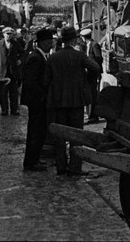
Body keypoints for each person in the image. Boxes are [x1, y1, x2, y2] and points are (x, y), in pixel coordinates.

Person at [44, 27, 100, 176]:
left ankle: (61, 167)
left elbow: (45, 81)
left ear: (62, 41)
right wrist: (86, 82)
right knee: (76, 135)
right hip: (76, 101)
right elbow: (95, 68)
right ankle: (75, 167)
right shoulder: (79, 56)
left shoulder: (52, 58)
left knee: (60, 135)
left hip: (58, 101)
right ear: (75, 39)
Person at [21, 28, 54, 172]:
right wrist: (42, 96)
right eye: (49, 41)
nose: (51, 44)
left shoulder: (41, 56)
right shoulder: (35, 58)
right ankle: (30, 162)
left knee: (39, 131)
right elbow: (30, 82)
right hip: (36, 101)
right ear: (42, 43)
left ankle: (34, 158)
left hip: (38, 100)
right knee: (36, 131)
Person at [0, 26, 23, 116]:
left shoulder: (15, 44)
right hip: (3, 71)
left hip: (13, 72)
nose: (9, 36)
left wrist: (20, 60)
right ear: (3, 34)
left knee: (14, 92)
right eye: (7, 34)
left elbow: (23, 53)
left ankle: (14, 110)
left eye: (10, 34)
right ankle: (4, 110)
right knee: (3, 92)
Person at [80, 28, 103, 124]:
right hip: (90, 74)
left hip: (94, 74)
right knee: (90, 94)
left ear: (84, 38)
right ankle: (90, 114)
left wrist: (92, 66)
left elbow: (98, 58)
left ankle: (94, 115)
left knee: (93, 94)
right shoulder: (88, 45)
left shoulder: (94, 45)